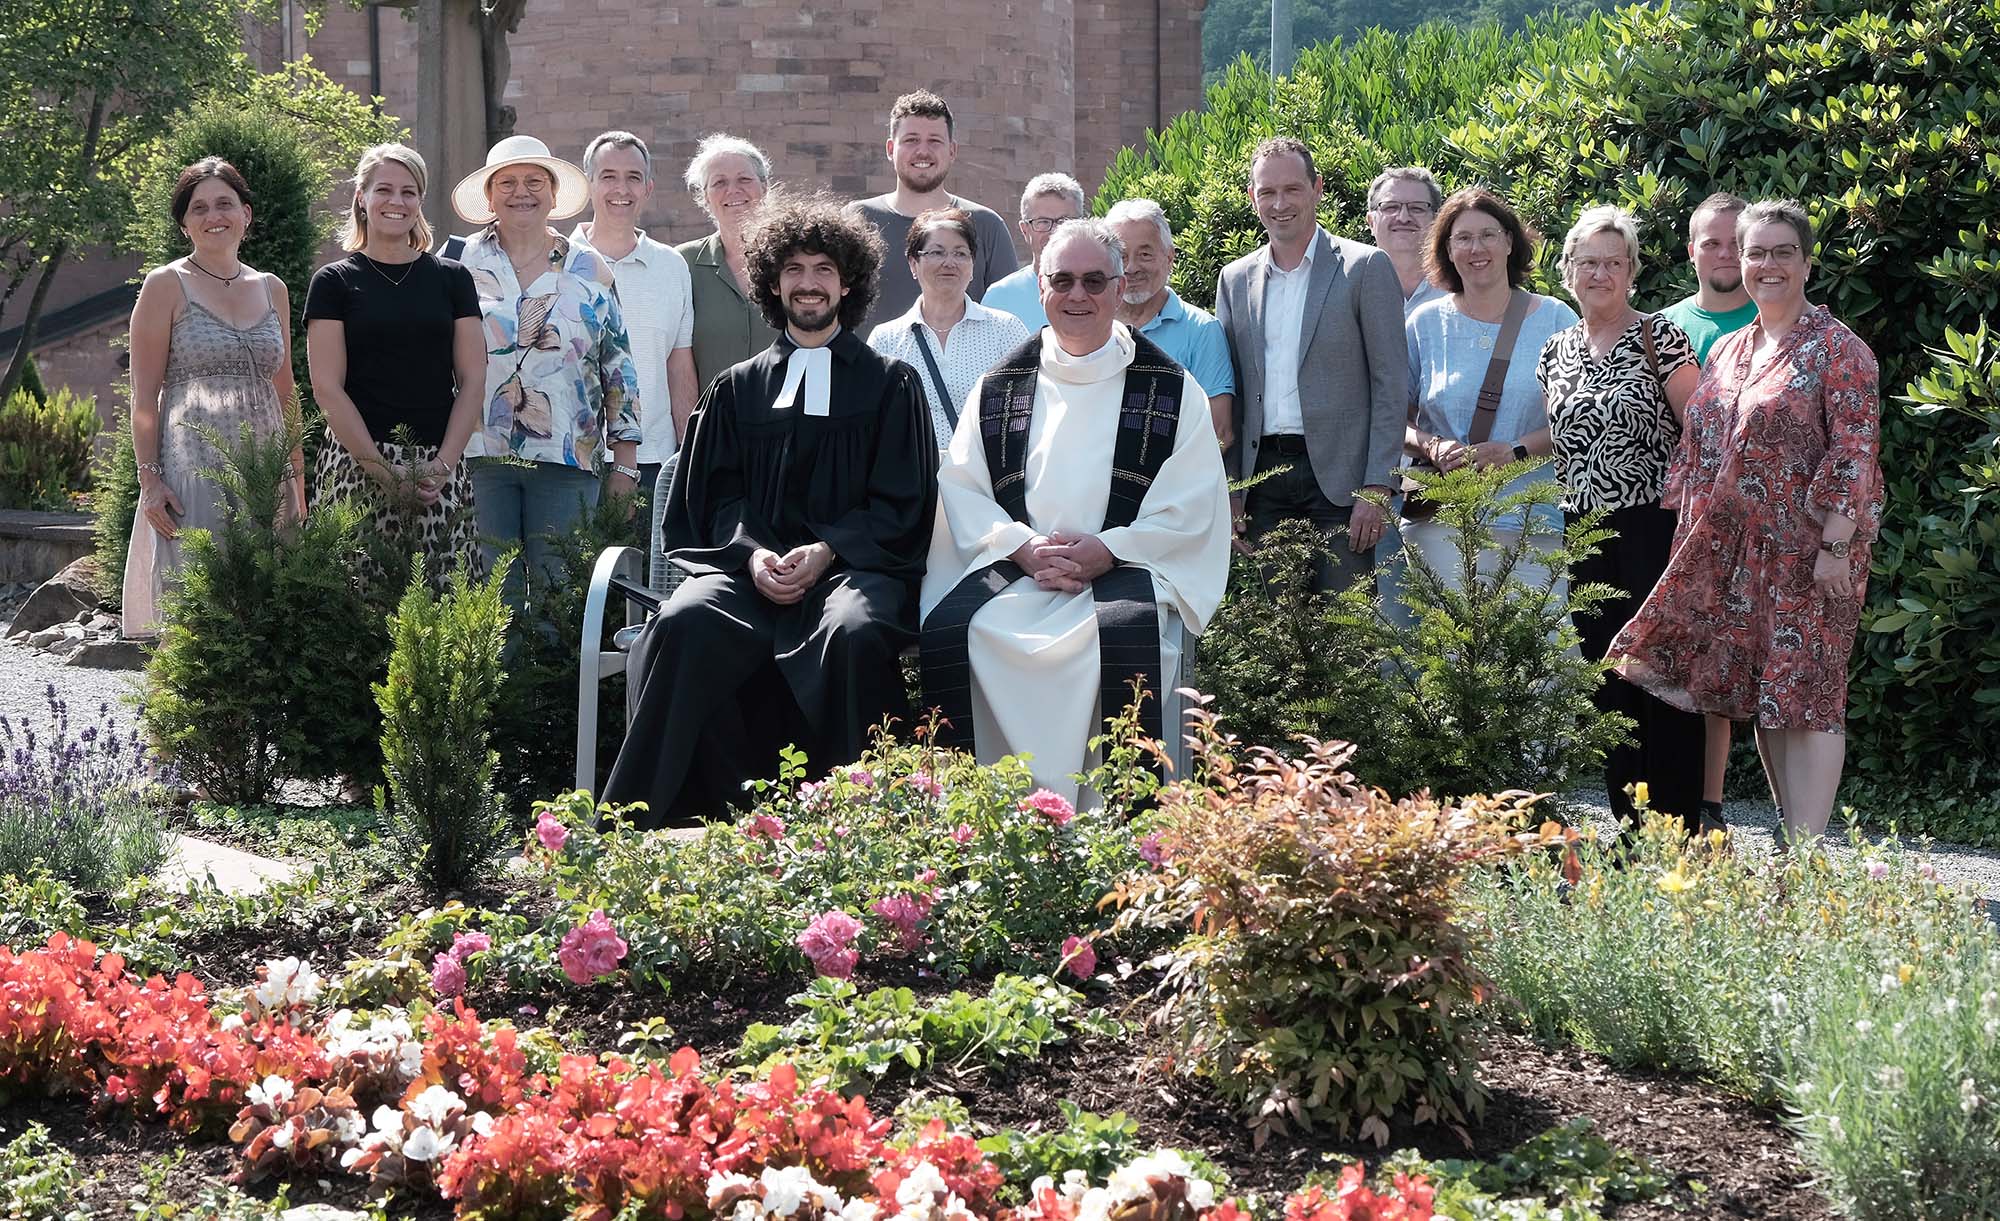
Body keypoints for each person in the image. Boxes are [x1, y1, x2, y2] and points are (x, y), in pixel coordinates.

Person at [603, 198, 937, 827]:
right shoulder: (734, 390)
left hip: (852, 569)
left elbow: (904, 502)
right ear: (773, 283)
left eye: (823, 269)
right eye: (794, 269)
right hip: (747, 572)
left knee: (853, 631)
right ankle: (647, 826)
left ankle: (867, 823)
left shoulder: (890, 384)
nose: (809, 283)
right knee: (683, 619)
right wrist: (753, 556)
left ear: (848, 283)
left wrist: (828, 550)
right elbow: (709, 502)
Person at [921, 219, 1231, 803]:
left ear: (1119, 288)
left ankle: (1116, 827)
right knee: (968, 633)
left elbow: (1191, 505)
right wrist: (1021, 546)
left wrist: (1109, 549)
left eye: (1094, 281)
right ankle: (991, 820)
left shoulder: (1171, 389)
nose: (1077, 295)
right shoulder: (999, 387)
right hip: (1020, 576)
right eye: (1061, 281)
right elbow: (961, 488)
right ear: (1041, 288)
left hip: (1125, 572)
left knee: (1117, 641)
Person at [1610, 200, 1882, 846]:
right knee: (1770, 698)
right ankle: (1794, 843)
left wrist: (1836, 544)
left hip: (1813, 554)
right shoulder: (1732, 348)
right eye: (1756, 252)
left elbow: (1856, 449)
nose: (1767, 264)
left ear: (1808, 262)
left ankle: (1805, 860)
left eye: (1783, 252)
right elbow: (1700, 446)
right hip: (1739, 558)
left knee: (1808, 696)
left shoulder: (1839, 349)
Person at [1537, 205, 1705, 833]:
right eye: (1588, 262)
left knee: (1660, 676)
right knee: (1605, 680)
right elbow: (1564, 441)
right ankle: (1631, 824)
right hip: (1583, 531)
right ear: (1568, 271)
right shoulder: (1555, 351)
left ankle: (1678, 828)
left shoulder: (1660, 337)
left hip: (1653, 529)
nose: (1600, 274)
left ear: (1632, 271)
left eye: (1613, 262)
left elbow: (1703, 431)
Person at [448, 135, 642, 613]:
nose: (522, 192)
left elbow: (618, 368)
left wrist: (625, 465)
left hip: (567, 460)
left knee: (560, 604)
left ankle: (557, 672)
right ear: (489, 197)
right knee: (491, 604)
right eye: (507, 183)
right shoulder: (456, 264)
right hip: (477, 458)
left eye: (535, 181)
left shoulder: (590, 268)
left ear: (554, 195)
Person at [1213, 137, 1406, 591]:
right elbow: (1231, 392)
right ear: (1252, 197)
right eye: (1267, 192)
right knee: (1279, 626)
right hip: (1264, 484)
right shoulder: (1234, 279)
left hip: (1342, 485)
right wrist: (1233, 488)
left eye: (1292, 189)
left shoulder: (1365, 267)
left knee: (1346, 625)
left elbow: (1391, 385)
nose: (1279, 204)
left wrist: (1377, 486)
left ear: (1317, 188)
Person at [123, 157, 302, 638]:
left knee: (271, 618)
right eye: (198, 208)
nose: (213, 215)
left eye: (225, 203)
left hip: (266, 474)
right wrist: (150, 481)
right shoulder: (165, 285)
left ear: (246, 214)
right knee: (198, 622)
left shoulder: (272, 289)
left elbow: (286, 392)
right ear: (184, 223)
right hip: (193, 476)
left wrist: (297, 481)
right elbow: (144, 398)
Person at [305, 143, 485, 590]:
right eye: (383, 189)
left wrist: (442, 466)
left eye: (409, 192)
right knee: (355, 605)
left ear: (420, 201)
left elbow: (473, 380)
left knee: (446, 602)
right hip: (356, 466)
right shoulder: (333, 282)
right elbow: (327, 388)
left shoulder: (452, 278)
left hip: (438, 471)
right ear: (361, 198)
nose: (396, 201)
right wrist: (383, 473)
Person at [1399, 187, 1579, 599]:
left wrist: (1515, 451)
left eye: (1488, 235)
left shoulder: (1556, 318)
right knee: (1447, 639)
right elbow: (1391, 420)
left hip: (1535, 521)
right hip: (1441, 524)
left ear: (1509, 242)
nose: (1476, 249)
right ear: (1447, 249)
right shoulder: (1424, 324)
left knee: (1540, 638)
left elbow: (1577, 422)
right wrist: (1432, 446)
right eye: (1463, 238)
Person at [1659, 191, 1755, 830]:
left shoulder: (1773, 320)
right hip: (1665, 513)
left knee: (1718, 664)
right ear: (1690, 249)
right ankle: (1662, 797)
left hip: (1743, 522)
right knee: (1669, 658)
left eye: (1734, 243)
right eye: (1710, 242)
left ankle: (1710, 805)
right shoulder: (1661, 325)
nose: (1723, 254)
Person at [572, 131, 696, 494]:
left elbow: (679, 366)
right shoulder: (559, 261)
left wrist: (690, 453)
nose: (621, 189)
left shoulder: (672, 266)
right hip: (571, 461)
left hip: (655, 460)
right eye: (608, 176)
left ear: (648, 188)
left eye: (633, 178)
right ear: (589, 184)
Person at [850, 90, 1018, 335]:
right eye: (911, 140)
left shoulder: (986, 226)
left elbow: (1009, 318)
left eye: (934, 141)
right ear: (890, 149)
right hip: (871, 361)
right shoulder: (858, 220)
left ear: (952, 151)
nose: (923, 151)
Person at [866, 207, 1029, 447]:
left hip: (983, 469)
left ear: (972, 265)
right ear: (913, 263)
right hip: (912, 469)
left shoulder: (1006, 330)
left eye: (960, 253)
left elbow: (1029, 411)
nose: (949, 263)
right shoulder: (886, 339)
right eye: (937, 252)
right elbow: (871, 421)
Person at [1106, 198, 1237, 448]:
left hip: (1176, 472)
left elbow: (1219, 432)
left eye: (1145, 254)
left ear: (1169, 258)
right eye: (1121, 256)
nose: (1131, 267)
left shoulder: (1201, 331)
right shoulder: (1093, 328)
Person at [677, 135, 779, 399]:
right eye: (719, 182)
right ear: (704, 196)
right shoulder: (681, 264)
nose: (733, 190)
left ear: (764, 187)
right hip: (712, 420)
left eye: (744, 179)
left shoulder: (794, 262)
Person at [981, 173, 1087, 330]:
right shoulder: (999, 298)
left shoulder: (1101, 290)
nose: (1054, 231)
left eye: (1064, 221)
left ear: (1081, 224)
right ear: (1025, 230)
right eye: (1043, 222)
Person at [1366, 167, 1446, 313]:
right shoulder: (1349, 288)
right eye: (1391, 207)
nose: (1403, 218)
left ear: (1436, 221)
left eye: (1417, 208)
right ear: (1371, 222)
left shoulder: (1461, 288)